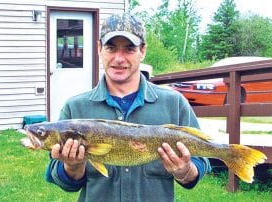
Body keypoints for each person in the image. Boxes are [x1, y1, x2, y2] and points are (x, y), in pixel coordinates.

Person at [45, 12, 211, 202]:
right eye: (111, 48)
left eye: (129, 49)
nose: (119, 58)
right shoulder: (75, 109)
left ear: (143, 51)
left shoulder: (174, 103)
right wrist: (72, 167)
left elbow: (200, 163)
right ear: (99, 49)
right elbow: (60, 178)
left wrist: (185, 171)